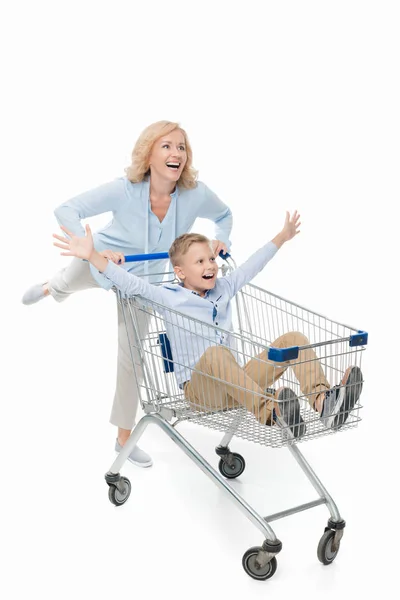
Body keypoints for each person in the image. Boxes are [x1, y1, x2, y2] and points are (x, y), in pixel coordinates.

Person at [22, 120, 233, 467]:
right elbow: (66, 209)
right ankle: (50, 287)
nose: (175, 153)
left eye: (181, 147)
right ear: (148, 153)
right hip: (102, 261)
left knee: (131, 357)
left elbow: (224, 214)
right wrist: (89, 248)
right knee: (65, 283)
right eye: (166, 146)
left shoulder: (196, 194)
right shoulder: (125, 189)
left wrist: (221, 238)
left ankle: (123, 438)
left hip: (143, 284)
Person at [52, 212, 363, 438]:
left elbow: (253, 266)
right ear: (180, 272)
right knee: (215, 354)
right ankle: (274, 412)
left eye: (210, 260)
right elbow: (128, 282)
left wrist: (281, 237)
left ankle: (325, 404)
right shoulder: (166, 296)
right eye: (199, 262)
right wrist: (91, 255)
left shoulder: (224, 288)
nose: (210, 266)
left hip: (238, 383)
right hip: (202, 393)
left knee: (292, 338)